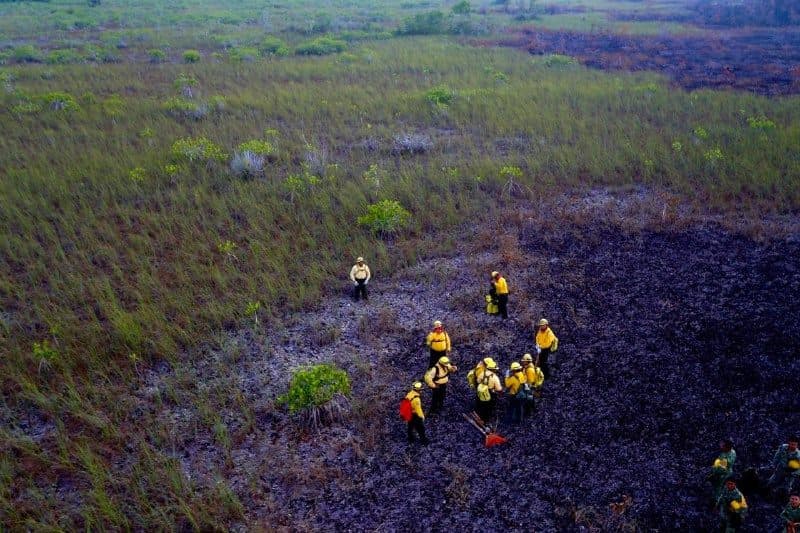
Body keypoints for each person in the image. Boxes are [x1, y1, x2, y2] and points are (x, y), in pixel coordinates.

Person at [474, 358, 502, 423]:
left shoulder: (482, 373)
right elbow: (499, 389)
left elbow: (478, 381)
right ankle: (485, 420)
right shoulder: (495, 377)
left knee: (480, 402)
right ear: (493, 369)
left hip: (481, 390)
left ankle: (478, 414)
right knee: (488, 406)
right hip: (490, 392)